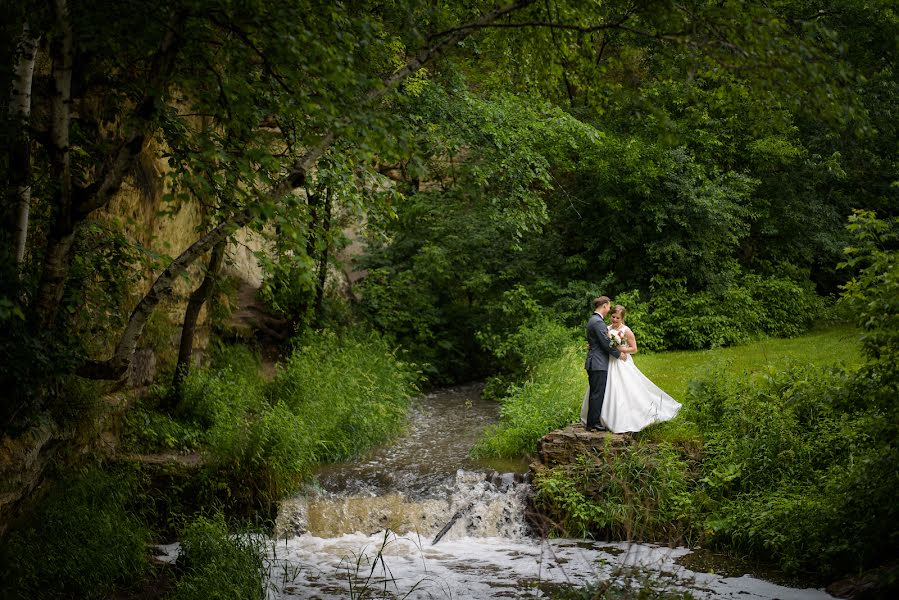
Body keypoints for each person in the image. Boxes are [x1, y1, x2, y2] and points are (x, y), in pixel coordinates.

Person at [580, 304, 681, 433]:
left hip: (621, 362)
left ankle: (625, 416)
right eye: (613, 316)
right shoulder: (606, 328)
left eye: (617, 318)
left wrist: (621, 349)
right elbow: (603, 343)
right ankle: (601, 418)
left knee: (624, 388)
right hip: (608, 362)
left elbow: (634, 349)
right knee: (603, 389)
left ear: (622, 318)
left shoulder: (626, 330)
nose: (614, 320)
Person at [583, 296, 622, 432]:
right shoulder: (598, 322)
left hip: (594, 362)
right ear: (604, 306)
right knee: (597, 393)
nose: (609, 310)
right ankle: (593, 424)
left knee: (595, 393)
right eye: (608, 306)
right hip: (598, 363)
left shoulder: (592, 320)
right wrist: (619, 354)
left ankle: (592, 422)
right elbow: (606, 343)